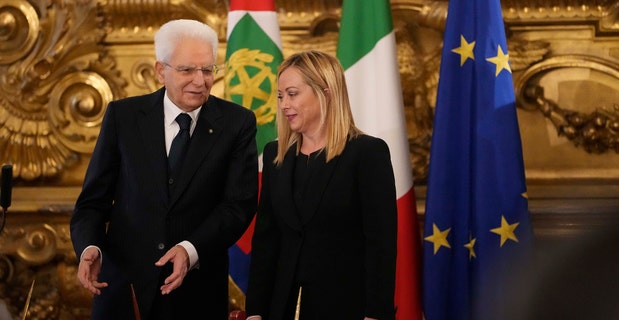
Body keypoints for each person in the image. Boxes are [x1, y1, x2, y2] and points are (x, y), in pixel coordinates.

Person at [70, 19, 258, 320]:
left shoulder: (238, 123)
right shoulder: (124, 116)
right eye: (187, 70)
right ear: (161, 71)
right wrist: (90, 246)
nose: (200, 81)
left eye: (208, 70)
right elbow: (93, 202)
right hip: (123, 288)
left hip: (196, 291)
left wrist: (190, 248)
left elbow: (238, 206)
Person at [245, 50, 398, 320]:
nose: (283, 105)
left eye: (292, 94)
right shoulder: (274, 155)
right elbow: (266, 240)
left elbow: (381, 243)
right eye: (280, 96)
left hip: (347, 306)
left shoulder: (367, 153)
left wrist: (376, 312)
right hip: (281, 307)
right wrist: (255, 311)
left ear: (325, 93)